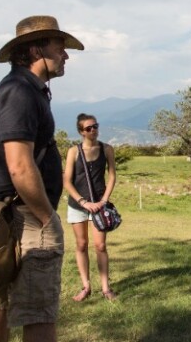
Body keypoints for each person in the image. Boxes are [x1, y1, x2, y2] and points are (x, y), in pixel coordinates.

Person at [0, 15, 83, 342]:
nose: (65, 54)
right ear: (37, 49)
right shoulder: (20, 92)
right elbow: (20, 166)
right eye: (59, 46)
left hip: (10, 215)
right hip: (26, 217)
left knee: (0, 300)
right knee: (39, 311)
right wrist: (46, 218)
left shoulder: (24, 89)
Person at [62, 113, 118, 302]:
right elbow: (67, 182)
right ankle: (86, 286)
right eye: (88, 128)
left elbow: (111, 176)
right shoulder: (73, 152)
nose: (93, 130)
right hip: (78, 205)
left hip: (99, 205)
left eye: (95, 126)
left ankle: (106, 288)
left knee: (100, 246)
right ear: (81, 132)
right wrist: (83, 202)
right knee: (81, 244)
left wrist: (103, 201)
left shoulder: (107, 149)